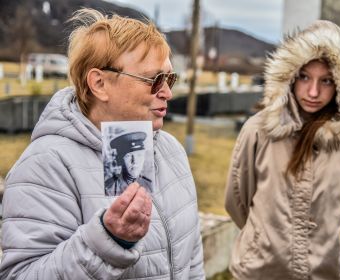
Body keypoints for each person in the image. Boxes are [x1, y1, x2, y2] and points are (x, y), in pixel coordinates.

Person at [0, 8, 205, 279]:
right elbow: (21, 274)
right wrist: (107, 242)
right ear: (99, 83)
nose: (167, 92)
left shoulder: (170, 150)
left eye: (170, 78)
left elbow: (192, 260)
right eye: (154, 80)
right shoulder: (45, 165)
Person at [225, 20, 340, 279]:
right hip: (261, 270)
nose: (313, 91)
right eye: (304, 77)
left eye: (325, 81)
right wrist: (264, 238)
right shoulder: (258, 130)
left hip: (324, 271)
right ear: (290, 76)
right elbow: (237, 200)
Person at [105, 131, 152, 195]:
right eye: (128, 156)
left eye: (139, 155)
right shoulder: (110, 188)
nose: (134, 162)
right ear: (120, 160)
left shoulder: (149, 184)